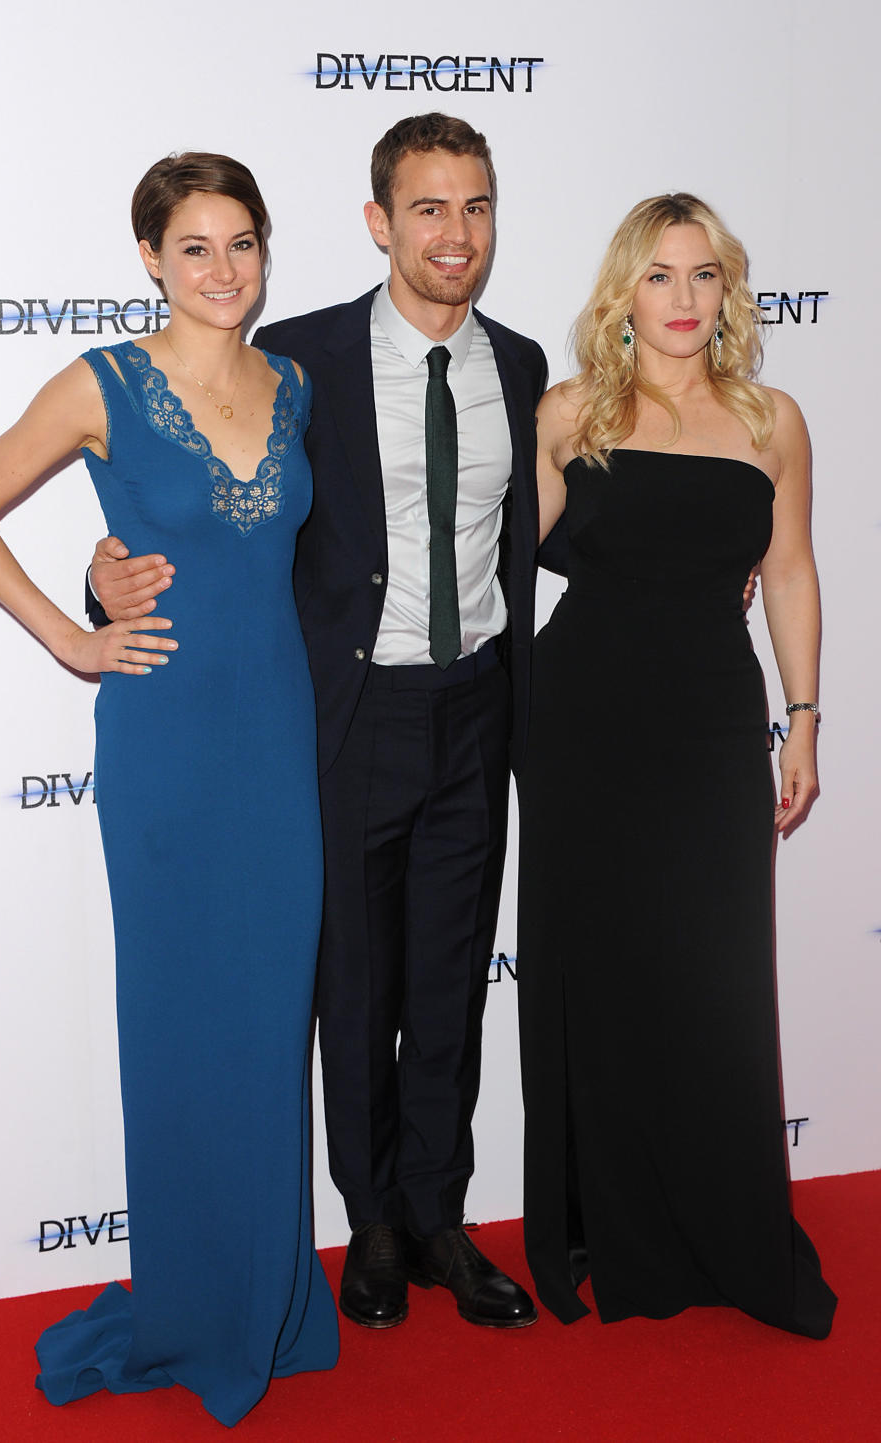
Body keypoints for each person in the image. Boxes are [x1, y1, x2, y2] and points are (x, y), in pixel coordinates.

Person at [88, 113, 568, 1332]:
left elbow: (553, 523)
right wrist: (105, 581)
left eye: (476, 207)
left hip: (478, 709)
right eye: (428, 208)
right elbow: (198, 500)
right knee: (353, 986)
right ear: (378, 223)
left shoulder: (520, 365)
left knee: (451, 979)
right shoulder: (297, 364)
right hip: (346, 713)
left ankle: (441, 1216)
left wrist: (700, 554)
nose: (455, 234)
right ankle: (370, 1227)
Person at [0, 152, 339, 1426]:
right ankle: (195, 1305)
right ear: (152, 260)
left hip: (277, 738)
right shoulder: (103, 383)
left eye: (243, 245)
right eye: (196, 248)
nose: (223, 271)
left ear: (266, 253)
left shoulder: (296, 386)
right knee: (181, 1032)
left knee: (270, 1027)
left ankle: (268, 1294)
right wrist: (74, 630)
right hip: (165, 744)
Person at [518, 192, 837, 1338]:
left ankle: (724, 1224)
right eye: (660, 276)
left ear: (729, 291)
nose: (685, 300)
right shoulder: (569, 415)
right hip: (580, 724)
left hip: (711, 722)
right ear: (623, 294)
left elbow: (789, 572)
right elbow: (497, 563)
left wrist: (803, 717)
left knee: (713, 983)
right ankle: (617, 1230)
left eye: (704, 276)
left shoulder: (772, 421)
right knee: (600, 982)